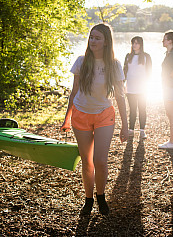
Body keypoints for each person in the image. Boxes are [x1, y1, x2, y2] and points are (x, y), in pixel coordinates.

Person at [60, 23, 128, 216]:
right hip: (81, 115)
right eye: (91, 37)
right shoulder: (81, 61)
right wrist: (67, 118)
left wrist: (125, 126)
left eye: (97, 38)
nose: (93, 41)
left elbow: (121, 96)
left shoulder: (114, 64)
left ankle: (101, 196)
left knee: (100, 161)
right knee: (87, 161)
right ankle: (88, 200)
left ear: (106, 42)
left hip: (104, 115)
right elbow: (74, 93)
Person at [123, 36, 152, 139]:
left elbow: (149, 72)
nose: (134, 45)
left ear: (141, 44)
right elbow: (124, 71)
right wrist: (122, 84)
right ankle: (131, 130)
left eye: (137, 43)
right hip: (130, 88)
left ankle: (142, 131)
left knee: (142, 109)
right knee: (132, 110)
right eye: (133, 43)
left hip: (142, 88)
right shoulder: (128, 56)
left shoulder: (146, 57)